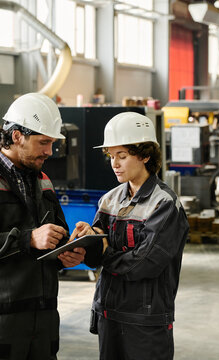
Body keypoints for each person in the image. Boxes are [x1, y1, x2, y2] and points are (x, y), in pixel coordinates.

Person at [0, 93, 85, 360]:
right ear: (17, 136)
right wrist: (27, 239)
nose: (49, 151)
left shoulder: (43, 180)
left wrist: (67, 252)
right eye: (43, 142)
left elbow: (52, 237)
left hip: (44, 315)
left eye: (52, 143)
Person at [76, 112, 189, 360]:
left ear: (145, 155)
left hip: (145, 320)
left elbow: (145, 264)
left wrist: (105, 251)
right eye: (111, 156)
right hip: (108, 312)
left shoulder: (164, 204)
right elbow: (96, 257)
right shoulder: (110, 199)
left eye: (122, 156)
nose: (114, 163)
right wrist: (87, 238)